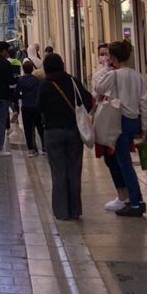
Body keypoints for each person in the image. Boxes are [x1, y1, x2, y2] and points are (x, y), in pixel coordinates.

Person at [96, 40, 147, 218]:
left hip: (120, 121)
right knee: (125, 160)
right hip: (134, 120)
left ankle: (135, 202)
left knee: (124, 162)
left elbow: (98, 88)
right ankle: (137, 199)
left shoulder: (114, 75)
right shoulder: (137, 76)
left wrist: (106, 69)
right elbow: (144, 103)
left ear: (113, 58)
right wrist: (144, 126)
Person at [38, 52, 93, 220]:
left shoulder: (45, 85)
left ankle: (62, 211)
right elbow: (88, 101)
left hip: (53, 132)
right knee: (74, 171)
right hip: (74, 130)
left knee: (58, 172)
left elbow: (38, 107)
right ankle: (75, 210)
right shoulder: (73, 81)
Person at [17, 59, 45, 156]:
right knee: (40, 127)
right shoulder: (37, 80)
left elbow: (16, 94)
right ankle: (44, 147)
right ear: (32, 69)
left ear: (24, 70)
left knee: (28, 129)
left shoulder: (21, 80)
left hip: (26, 107)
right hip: (37, 107)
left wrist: (22, 97)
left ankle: (31, 149)